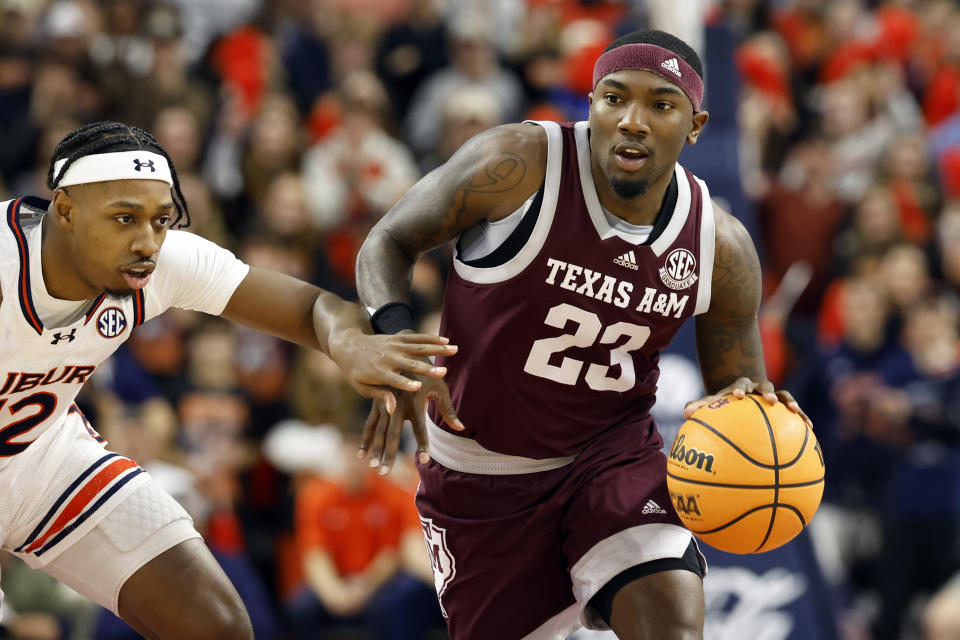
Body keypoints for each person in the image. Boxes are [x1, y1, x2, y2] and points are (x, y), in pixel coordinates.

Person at [356, 29, 811, 639]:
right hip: (478, 474)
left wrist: (759, 416)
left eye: (661, 105)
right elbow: (387, 241)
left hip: (611, 457)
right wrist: (395, 343)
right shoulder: (516, 165)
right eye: (614, 98)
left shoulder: (720, 246)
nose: (632, 121)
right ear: (591, 103)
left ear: (696, 125)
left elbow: (737, 389)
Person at [0, 121, 457, 639]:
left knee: (218, 626)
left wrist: (351, 347)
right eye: (124, 218)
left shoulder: (162, 262)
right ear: (64, 210)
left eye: (161, 220)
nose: (147, 242)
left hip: (44, 458)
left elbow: (313, 307)